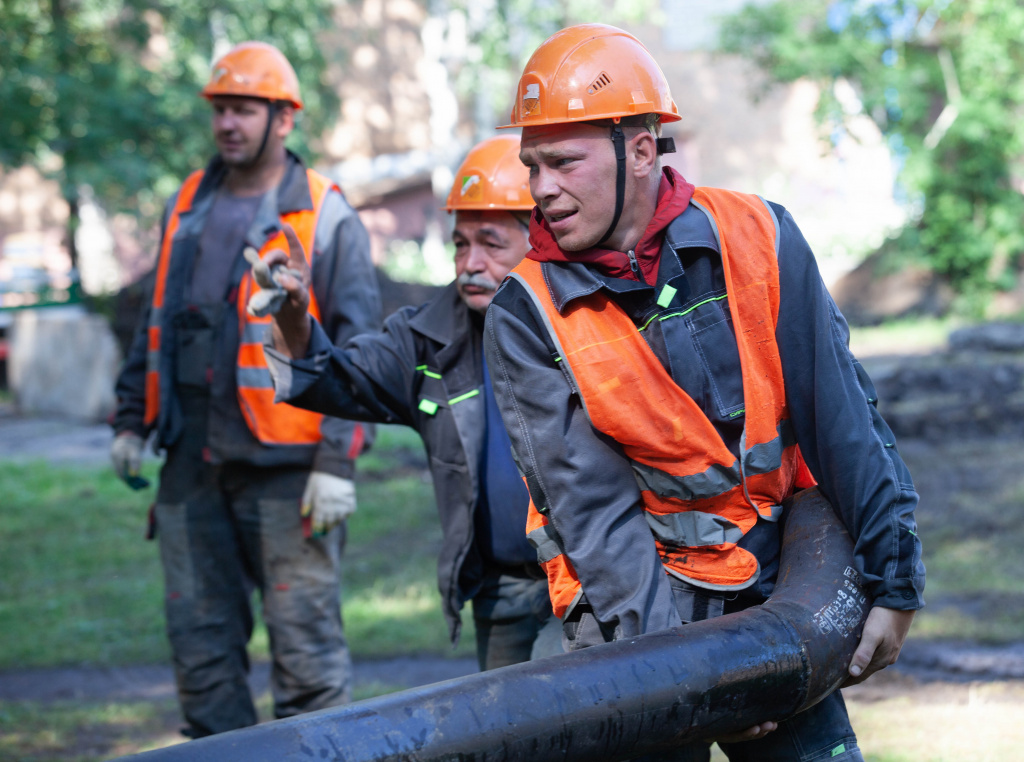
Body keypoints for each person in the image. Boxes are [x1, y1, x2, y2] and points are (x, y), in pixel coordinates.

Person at [482, 24, 925, 762]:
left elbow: (843, 421)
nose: (540, 189)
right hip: (632, 621)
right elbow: (597, 522)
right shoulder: (526, 313)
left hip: (779, 592)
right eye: (533, 166)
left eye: (563, 161)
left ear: (643, 149)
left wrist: (896, 582)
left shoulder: (759, 234)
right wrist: (690, 684)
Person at [109, 41, 381, 738]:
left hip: (287, 478)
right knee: (201, 659)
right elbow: (158, 319)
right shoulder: (189, 204)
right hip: (191, 468)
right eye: (220, 110)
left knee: (308, 666)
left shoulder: (323, 211)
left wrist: (337, 460)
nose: (227, 124)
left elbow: (361, 348)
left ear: (283, 118)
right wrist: (131, 419)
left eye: (243, 110)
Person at [256, 135, 562, 670]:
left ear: (539, 237)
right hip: (504, 588)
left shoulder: (587, 321)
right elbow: (335, 377)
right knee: (518, 733)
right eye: (460, 244)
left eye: (490, 244)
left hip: (591, 578)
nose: (470, 263)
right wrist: (293, 316)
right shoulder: (428, 339)